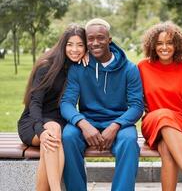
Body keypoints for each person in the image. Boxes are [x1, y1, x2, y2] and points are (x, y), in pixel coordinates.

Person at [61, 18, 144, 191]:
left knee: (129, 141)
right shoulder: (78, 68)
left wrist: (115, 125)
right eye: (90, 39)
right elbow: (67, 103)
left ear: (109, 39)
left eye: (100, 38)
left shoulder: (129, 69)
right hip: (87, 120)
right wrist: (83, 124)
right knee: (68, 136)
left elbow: (137, 106)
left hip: (118, 121)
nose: (95, 43)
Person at [138, 22, 182, 191]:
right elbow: (133, 98)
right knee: (163, 114)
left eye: (169, 43)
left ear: (176, 45)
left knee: (168, 153)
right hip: (153, 121)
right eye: (159, 43)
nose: (164, 47)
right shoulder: (142, 67)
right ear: (152, 46)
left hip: (181, 122)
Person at [18, 24, 87, 191]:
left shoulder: (78, 67)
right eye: (70, 44)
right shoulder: (46, 66)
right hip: (34, 121)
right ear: (63, 45)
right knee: (52, 132)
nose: (75, 50)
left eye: (80, 45)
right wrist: (40, 130)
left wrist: (90, 56)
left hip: (59, 121)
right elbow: (34, 103)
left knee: (52, 137)